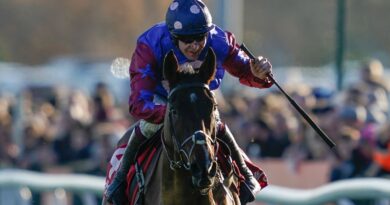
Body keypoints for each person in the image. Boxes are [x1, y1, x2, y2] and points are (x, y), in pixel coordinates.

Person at [104, 0, 273, 204]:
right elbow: (139, 103)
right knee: (146, 127)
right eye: (187, 40)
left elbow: (247, 70)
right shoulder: (150, 45)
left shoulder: (219, 40)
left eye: (200, 38)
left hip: (198, 100)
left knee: (215, 122)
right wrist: (172, 113)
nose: (195, 46)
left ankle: (246, 174)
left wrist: (258, 73)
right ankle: (118, 182)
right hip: (164, 102)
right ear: (174, 38)